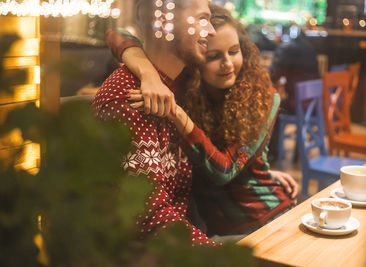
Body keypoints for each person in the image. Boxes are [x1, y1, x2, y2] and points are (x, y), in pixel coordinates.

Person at [106, 4, 298, 240]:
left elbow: (224, 170)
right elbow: (115, 34)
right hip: (215, 229)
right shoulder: (187, 88)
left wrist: (176, 112)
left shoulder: (260, 96)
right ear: (198, 59)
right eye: (214, 56)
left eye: (234, 51)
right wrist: (148, 73)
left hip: (262, 219)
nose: (227, 63)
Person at [92, 0, 218, 246]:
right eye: (203, 19)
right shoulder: (130, 97)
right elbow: (149, 219)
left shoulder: (171, 84)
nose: (211, 31)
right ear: (164, 21)